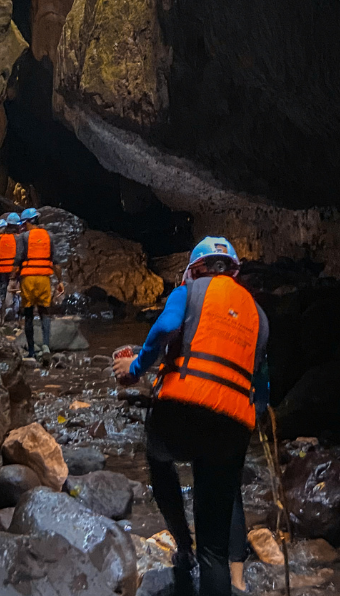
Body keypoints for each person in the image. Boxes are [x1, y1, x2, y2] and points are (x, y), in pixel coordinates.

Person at [113, 237, 269, 596]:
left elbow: (167, 328)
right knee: (214, 546)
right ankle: (230, 575)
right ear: (234, 272)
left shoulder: (189, 291)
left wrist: (136, 369)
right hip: (231, 425)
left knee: (158, 456)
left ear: (194, 269)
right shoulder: (258, 315)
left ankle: (182, 544)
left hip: (181, 410)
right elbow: (261, 387)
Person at [13, 207, 64, 359]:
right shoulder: (49, 236)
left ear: (29, 222)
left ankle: (31, 351)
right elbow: (56, 262)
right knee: (44, 312)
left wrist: (12, 279)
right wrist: (60, 281)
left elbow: (18, 261)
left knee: (28, 314)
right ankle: (46, 346)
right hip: (44, 279)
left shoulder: (24, 237)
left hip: (28, 279)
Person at [0, 213, 21, 324]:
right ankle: (17, 321)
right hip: (15, 271)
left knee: (1, 295)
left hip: (1, 270)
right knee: (16, 294)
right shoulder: (19, 238)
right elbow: (20, 255)